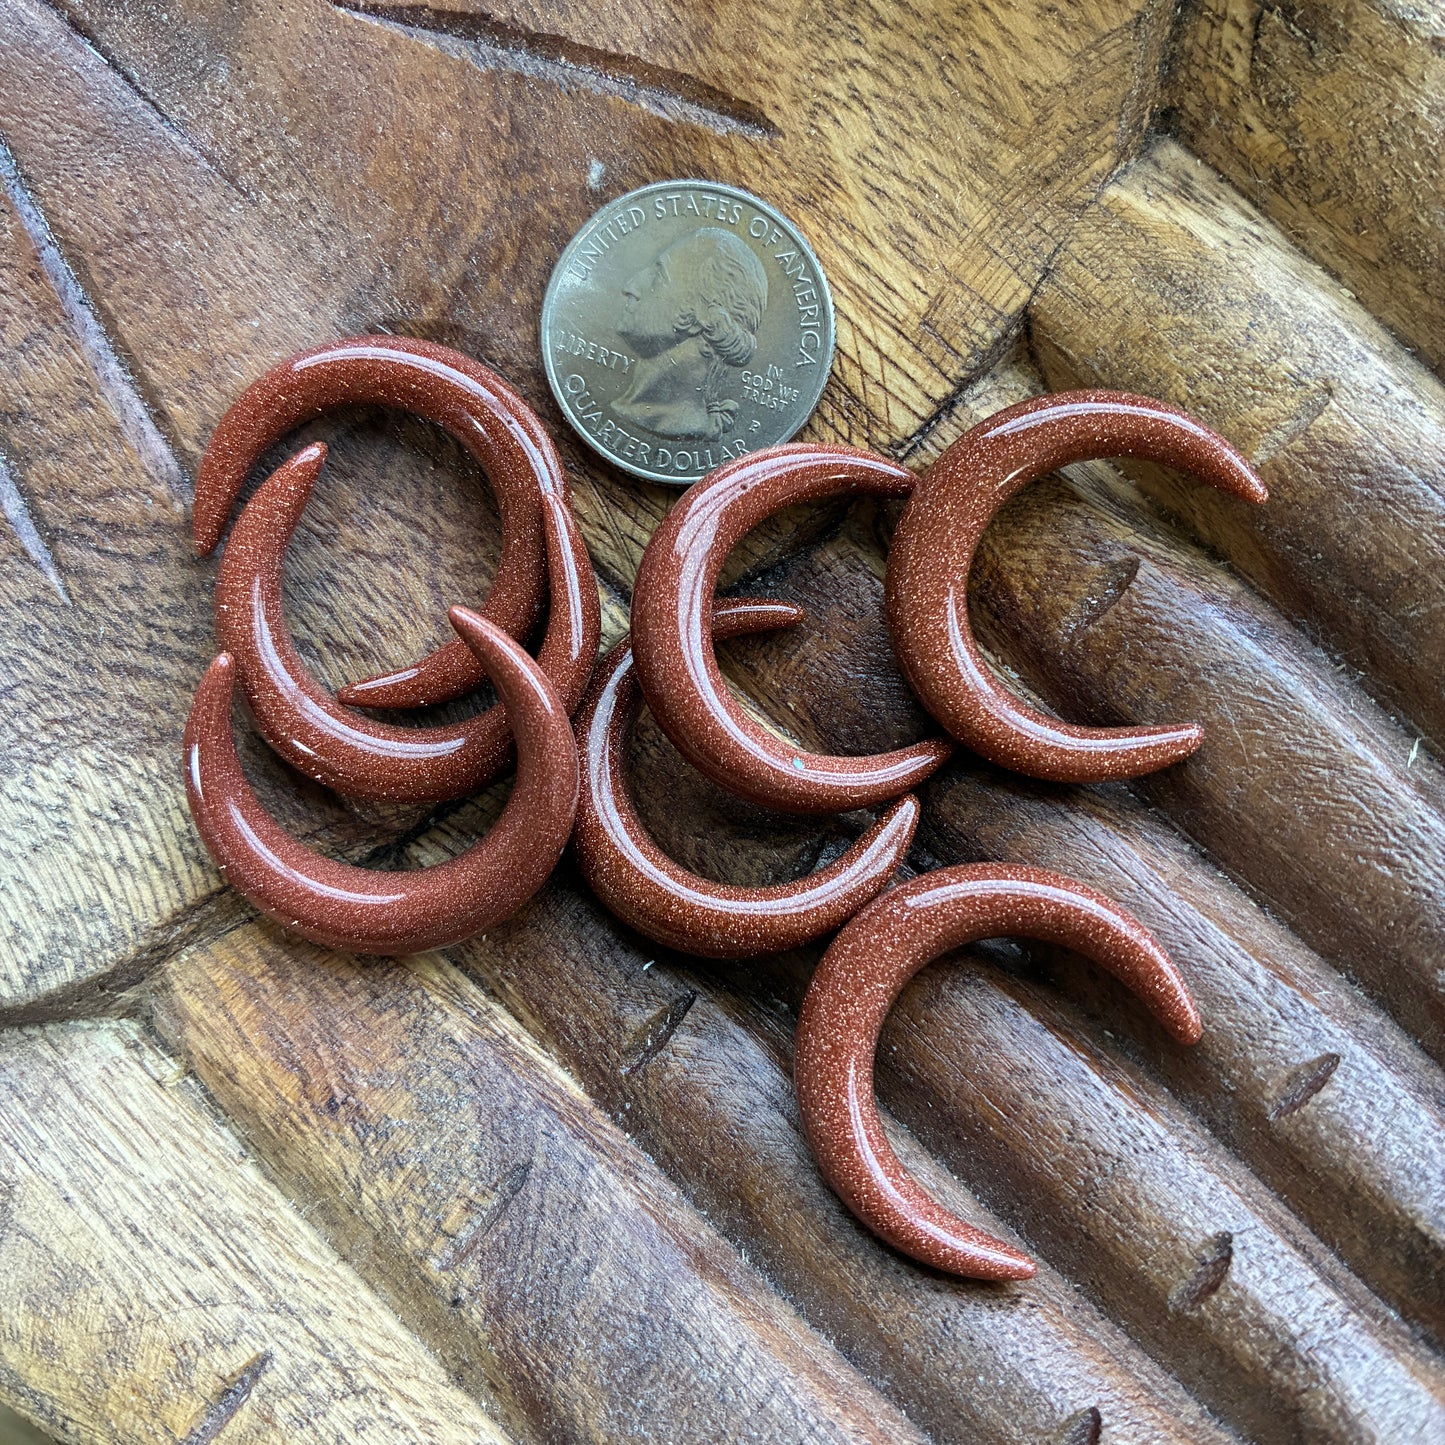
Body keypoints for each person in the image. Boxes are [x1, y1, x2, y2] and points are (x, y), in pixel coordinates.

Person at [614, 227, 768, 441]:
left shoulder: (679, 425)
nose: (629, 286)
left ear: (702, 312)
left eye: (658, 274)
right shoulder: (632, 410)